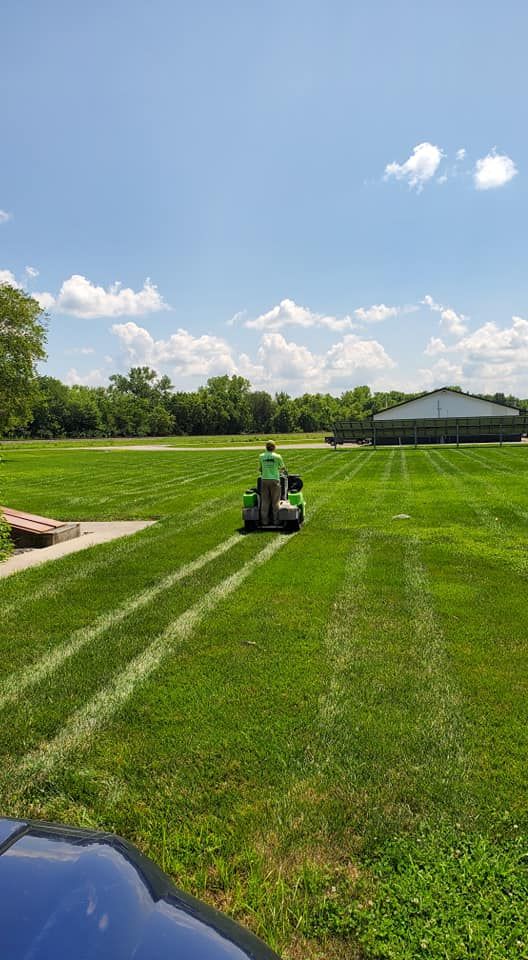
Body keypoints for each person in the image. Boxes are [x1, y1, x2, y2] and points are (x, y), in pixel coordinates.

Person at [258, 441, 286, 525]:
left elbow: (260, 469)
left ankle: (264, 521)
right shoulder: (278, 456)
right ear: (274, 447)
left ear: (266, 447)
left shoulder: (261, 456)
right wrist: (278, 471)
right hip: (274, 480)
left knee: (265, 501)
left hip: (264, 480)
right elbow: (283, 468)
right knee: (275, 501)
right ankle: (276, 521)